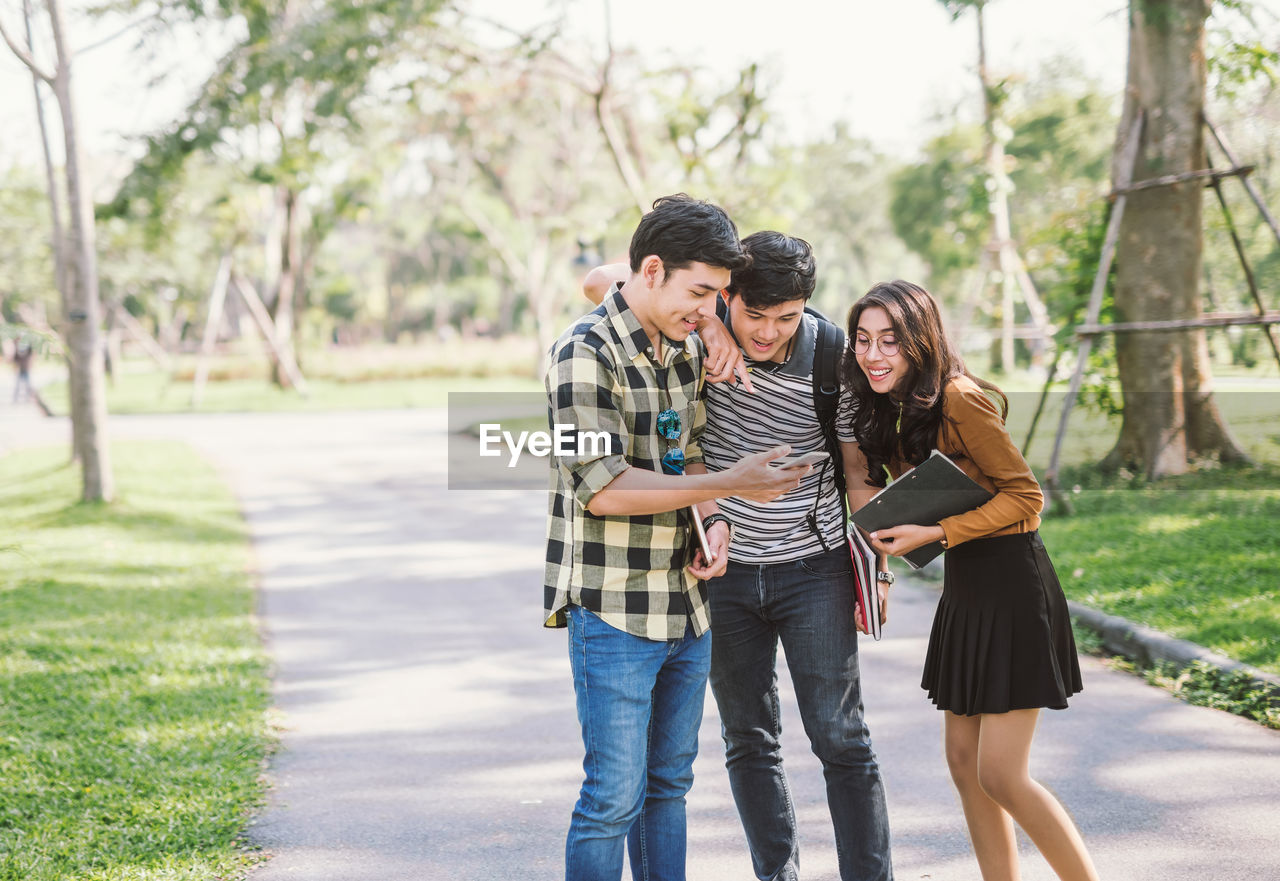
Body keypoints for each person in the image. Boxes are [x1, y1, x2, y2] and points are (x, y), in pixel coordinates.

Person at [584, 232, 894, 881]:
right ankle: (777, 874)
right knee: (749, 740)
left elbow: (857, 471)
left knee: (841, 738)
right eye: (755, 315)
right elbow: (597, 282)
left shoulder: (829, 350)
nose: (769, 332)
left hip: (814, 566)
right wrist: (717, 328)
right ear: (730, 296)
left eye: (786, 317)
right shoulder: (699, 323)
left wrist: (876, 556)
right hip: (720, 573)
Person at [546, 195, 809, 881]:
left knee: (668, 789)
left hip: (687, 609)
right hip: (613, 613)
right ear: (653, 268)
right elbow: (603, 487)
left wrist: (713, 518)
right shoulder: (581, 354)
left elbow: (687, 450)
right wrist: (731, 482)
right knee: (611, 798)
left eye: (718, 297)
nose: (709, 310)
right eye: (700, 293)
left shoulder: (685, 346)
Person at [840, 280, 1097, 881]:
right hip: (966, 591)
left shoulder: (959, 398)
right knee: (962, 762)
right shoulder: (891, 405)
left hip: (1012, 586)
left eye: (890, 342)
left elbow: (1027, 498)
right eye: (863, 341)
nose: (874, 355)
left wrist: (937, 533)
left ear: (920, 342)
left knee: (1001, 774)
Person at [12, 338, 34, 404]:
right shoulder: (19, 354)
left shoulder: (27, 353)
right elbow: (15, 358)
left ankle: (28, 399)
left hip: (25, 370)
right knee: (18, 386)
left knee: (27, 385)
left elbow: (30, 350)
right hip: (20, 370)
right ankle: (15, 399)